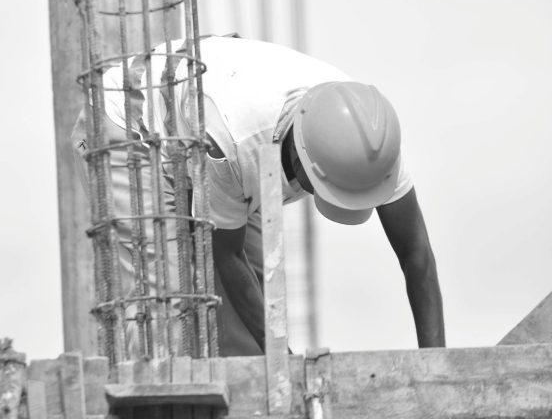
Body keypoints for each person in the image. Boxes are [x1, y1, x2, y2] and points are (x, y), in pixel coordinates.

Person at [74, 35, 445, 355]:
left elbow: (416, 255)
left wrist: (434, 368)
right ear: (301, 160)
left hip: (208, 123)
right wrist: (286, 367)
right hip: (133, 122)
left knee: (248, 341)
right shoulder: (236, 143)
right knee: (168, 313)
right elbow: (228, 256)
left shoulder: (369, 139)